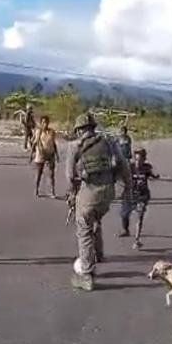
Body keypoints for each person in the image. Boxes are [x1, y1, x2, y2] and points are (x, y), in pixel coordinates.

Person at [65, 112, 131, 291]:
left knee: (84, 228)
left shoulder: (74, 146)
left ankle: (86, 274)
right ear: (93, 127)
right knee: (96, 219)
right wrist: (127, 188)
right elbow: (124, 166)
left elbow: (70, 176)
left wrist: (71, 195)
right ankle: (98, 255)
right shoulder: (109, 142)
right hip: (108, 193)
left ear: (79, 130)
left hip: (89, 192)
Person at [119, 146, 160, 250]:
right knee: (124, 214)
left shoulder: (147, 168)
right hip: (129, 194)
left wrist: (156, 176)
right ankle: (125, 229)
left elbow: (152, 174)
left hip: (142, 195)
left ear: (144, 159)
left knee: (139, 217)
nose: (138, 162)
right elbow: (121, 178)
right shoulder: (129, 167)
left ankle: (137, 240)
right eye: (136, 159)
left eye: (140, 160)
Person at [30, 115, 59, 198]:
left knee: (51, 174)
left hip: (50, 154)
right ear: (41, 123)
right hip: (41, 154)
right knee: (39, 173)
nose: (45, 124)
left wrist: (57, 155)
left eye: (46, 122)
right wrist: (31, 155)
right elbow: (35, 143)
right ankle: (36, 190)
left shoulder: (52, 132)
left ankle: (52, 191)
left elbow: (54, 143)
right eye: (43, 122)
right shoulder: (38, 132)